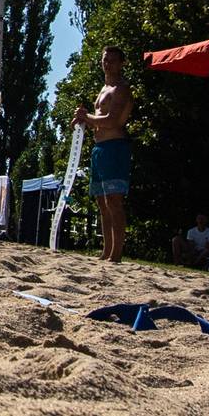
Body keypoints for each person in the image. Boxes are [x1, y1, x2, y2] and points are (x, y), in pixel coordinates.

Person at [70, 46, 137, 262]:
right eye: (105, 60)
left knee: (114, 200)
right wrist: (82, 121)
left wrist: (87, 117)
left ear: (121, 64)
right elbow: (97, 121)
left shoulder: (121, 89)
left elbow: (112, 121)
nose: (107, 64)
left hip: (115, 147)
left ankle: (116, 254)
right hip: (99, 148)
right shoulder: (103, 88)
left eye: (112, 60)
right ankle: (106, 251)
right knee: (102, 201)